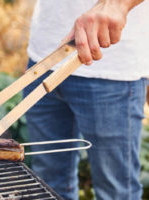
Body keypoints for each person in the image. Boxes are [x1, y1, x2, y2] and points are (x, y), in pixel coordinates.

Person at [24, 0, 149, 199]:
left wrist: (117, 4)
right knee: (47, 184)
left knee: (115, 192)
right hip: (43, 58)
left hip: (112, 71)